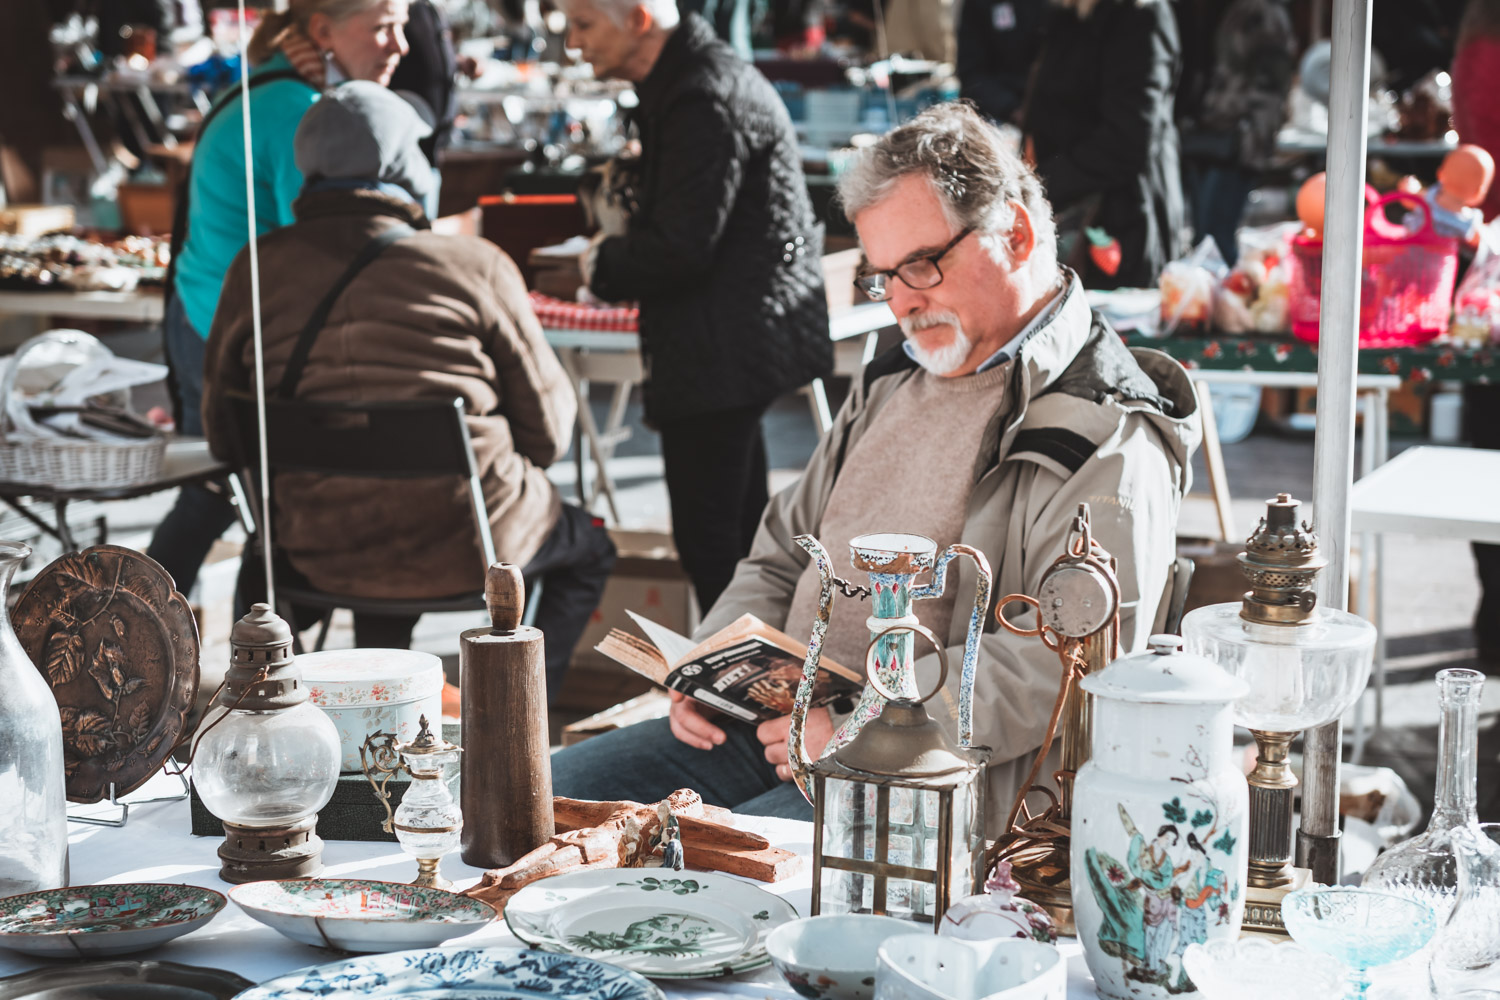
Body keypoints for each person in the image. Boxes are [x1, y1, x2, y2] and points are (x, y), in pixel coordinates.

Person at [550, 103, 1200, 828]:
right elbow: (778, 554)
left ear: (1014, 234)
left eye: (921, 266)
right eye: (882, 277)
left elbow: (1062, 668)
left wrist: (873, 726)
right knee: (532, 801)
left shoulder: (1106, 422)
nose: (900, 304)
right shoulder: (896, 374)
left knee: (706, 883)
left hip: (933, 779)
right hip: (772, 730)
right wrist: (715, 668)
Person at [200, 82, 615, 691]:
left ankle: (331, 706)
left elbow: (224, 433)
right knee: (592, 547)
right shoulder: (477, 265)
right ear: (405, 163)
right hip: (468, 542)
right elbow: (549, 435)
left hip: (316, 543)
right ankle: (513, 709)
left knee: (345, 528)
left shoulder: (257, 267)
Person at [564, 0, 832, 615]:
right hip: (733, 334)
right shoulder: (694, 82)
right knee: (735, 528)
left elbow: (680, 246)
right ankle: (744, 683)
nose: (576, 44)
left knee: (712, 535)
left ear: (635, 18)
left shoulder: (700, 94)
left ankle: (727, 689)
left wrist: (598, 264)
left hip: (721, 342)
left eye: (583, 25)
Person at [146, 0, 410, 602]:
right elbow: (331, 236)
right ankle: (246, 665)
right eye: (383, 27)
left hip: (207, 314)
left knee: (220, 496)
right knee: (275, 510)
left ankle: (131, 633)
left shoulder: (267, 90)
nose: (401, 44)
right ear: (322, 31)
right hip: (238, 332)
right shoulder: (299, 110)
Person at [1023, 0, 1185, 289]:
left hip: (1120, 225)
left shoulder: (1141, 17)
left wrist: (1039, 184)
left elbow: (1127, 140)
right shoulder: (1069, 15)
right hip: (1066, 214)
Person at [1177, 0, 1296, 266]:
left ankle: (1227, 300)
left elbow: (1273, 85)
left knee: (1215, 237)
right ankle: (1206, 299)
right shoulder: (1217, 9)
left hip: (1238, 141)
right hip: (1203, 135)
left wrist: (1244, 128)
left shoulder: (1264, 13)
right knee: (1202, 240)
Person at [1453, 0, 1500, 660]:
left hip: (1482, 271)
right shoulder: (1484, 49)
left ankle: (1493, 615)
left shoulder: (1476, 41)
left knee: (1486, 446)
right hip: (1489, 268)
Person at [956, 0, 1044, 125]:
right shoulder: (978, 5)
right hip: (997, 113)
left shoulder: (1056, 6)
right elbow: (970, 74)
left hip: (1047, 108)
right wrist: (1012, 109)